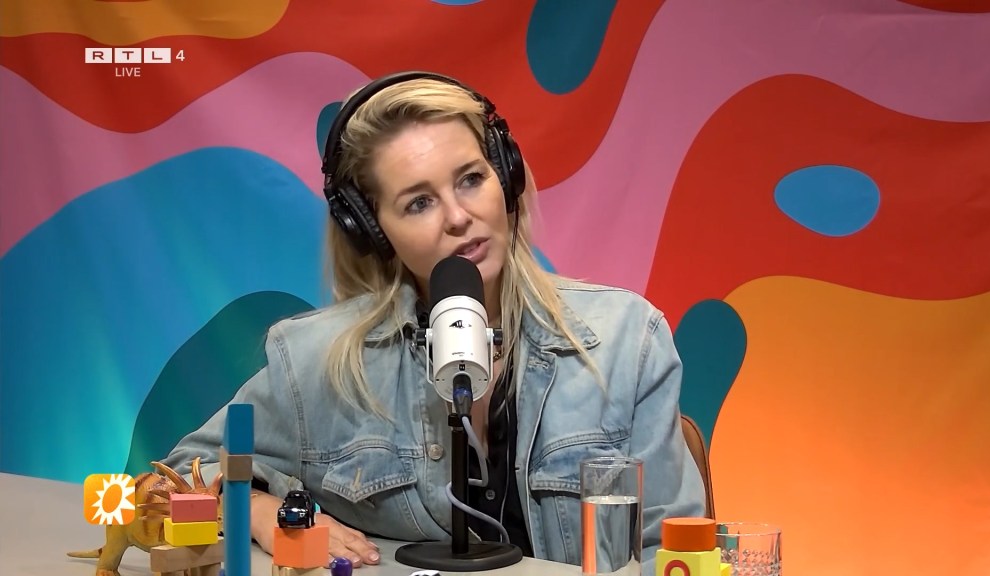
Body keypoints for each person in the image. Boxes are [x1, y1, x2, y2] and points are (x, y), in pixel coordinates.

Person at [161, 71, 706, 572]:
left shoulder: (626, 338)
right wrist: (262, 513)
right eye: (419, 203)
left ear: (505, 177)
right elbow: (178, 480)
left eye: (471, 179)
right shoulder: (316, 362)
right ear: (373, 231)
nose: (459, 217)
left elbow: (674, 551)